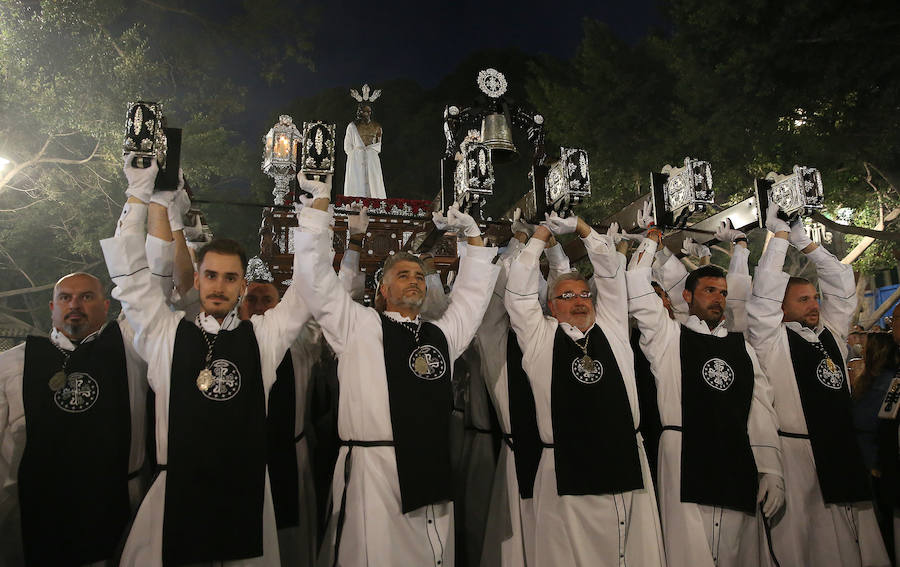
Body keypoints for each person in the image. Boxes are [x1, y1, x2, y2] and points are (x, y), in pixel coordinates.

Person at [100, 154, 312, 566]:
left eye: (230, 278)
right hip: (174, 495)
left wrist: (314, 203)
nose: (219, 286)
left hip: (246, 499)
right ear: (197, 279)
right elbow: (128, 273)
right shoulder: (165, 333)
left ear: (242, 286)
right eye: (211, 275)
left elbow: (307, 287)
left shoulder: (263, 339)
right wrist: (140, 190)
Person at [291, 173, 499, 567]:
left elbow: (472, 300)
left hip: (431, 467)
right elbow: (315, 280)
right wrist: (319, 204)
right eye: (403, 275)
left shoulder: (439, 335)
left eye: (419, 276)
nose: (415, 281)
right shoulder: (358, 325)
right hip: (375, 474)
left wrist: (472, 235)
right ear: (382, 290)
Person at [504, 213, 666, 567]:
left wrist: (582, 228)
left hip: (624, 458)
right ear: (551, 306)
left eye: (583, 294)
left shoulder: (612, 326)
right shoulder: (539, 337)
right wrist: (542, 234)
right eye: (566, 295)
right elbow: (517, 291)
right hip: (564, 467)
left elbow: (609, 272)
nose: (580, 300)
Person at [627, 226, 784, 567]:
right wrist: (652, 239)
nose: (718, 298)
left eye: (723, 292)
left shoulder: (741, 347)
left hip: (734, 459)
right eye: (709, 290)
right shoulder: (668, 338)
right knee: (689, 553)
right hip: (684, 456)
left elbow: (760, 409)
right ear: (687, 296)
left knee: (736, 550)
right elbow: (636, 287)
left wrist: (772, 469)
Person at [747, 203, 891, 567]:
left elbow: (842, 285)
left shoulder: (830, 333)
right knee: (809, 547)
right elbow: (762, 295)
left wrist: (803, 241)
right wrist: (778, 239)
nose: (814, 305)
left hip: (840, 449)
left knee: (857, 544)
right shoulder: (770, 338)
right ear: (781, 307)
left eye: (814, 298)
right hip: (797, 457)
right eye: (803, 300)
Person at [239, 213, 367, 567]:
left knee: (294, 546)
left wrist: (354, 242)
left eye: (267, 299)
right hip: (243, 460)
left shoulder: (301, 341)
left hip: (292, 458)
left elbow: (338, 296)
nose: (261, 307)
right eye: (253, 300)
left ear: (279, 304)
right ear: (241, 304)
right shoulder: (232, 346)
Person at [0, 271, 149, 567]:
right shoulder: (13, 364)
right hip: (41, 513)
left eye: (86, 296)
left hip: (117, 507)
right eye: (65, 297)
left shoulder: (132, 351)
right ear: (52, 307)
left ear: (106, 306)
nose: (75, 304)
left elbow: (156, 293)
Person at [478, 210, 571, 567]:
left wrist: (552, 246)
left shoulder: (555, 333)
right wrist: (522, 243)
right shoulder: (496, 336)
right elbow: (504, 293)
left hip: (565, 455)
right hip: (521, 455)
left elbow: (564, 289)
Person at [343, 102, 386, 198]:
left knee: (374, 181)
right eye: (359, 111)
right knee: (357, 182)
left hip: (371, 158)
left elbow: (378, 144)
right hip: (356, 159)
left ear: (369, 112)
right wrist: (355, 156)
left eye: (363, 111)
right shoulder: (352, 126)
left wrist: (369, 152)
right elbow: (347, 145)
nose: (359, 113)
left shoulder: (377, 127)